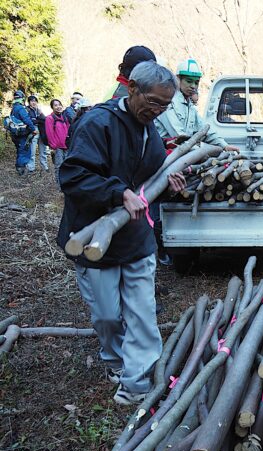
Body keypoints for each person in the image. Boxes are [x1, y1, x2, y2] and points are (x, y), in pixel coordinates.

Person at [57, 61, 186, 405]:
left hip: (137, 236)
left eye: (165, 105)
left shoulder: (150, 128)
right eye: (153, 102)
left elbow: (148, 180)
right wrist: (118, 193)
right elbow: (72, 176)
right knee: (107, 315)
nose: (157, 111)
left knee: (142, 312)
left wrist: (169, 186)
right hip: (94, 238)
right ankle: (114, 359)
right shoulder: (98, 124)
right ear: (131, 89)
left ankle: (138, 380)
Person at [155, 58, 239, 265]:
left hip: (185, 158)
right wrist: (203, 152)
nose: (193, 86)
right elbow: (180, 135)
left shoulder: (189, 105)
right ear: (178, 80)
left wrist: (223, 145)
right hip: (166, 159)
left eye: (196, 82)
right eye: (189, 81)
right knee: (162, 201)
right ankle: (160, 247)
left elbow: (204, 129)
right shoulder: (170, 103)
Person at [8, 90, 37, 176]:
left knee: (20, 150)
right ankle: (21, 171)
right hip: (22, 135)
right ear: (22, 98)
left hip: (15, 134)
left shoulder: (13, 108)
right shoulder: (20, 108)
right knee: (24, 151)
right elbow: (27, 120)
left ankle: (19, 168)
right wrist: (33, 129)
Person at [45, 99, 71, 185]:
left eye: (59, 104)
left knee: (68, 165)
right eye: (55, 105)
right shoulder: (49, 118)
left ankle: (67, 183)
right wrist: (53, 147)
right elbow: (49, 133)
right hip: (58, 147)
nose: (58, 107)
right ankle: (60, 185)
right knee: (59, 166)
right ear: (52, 107)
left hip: (66, 145)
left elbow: (68, 130)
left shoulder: (64, 117)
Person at [26, 95, 49, 173]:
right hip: (33, 130)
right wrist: (38, 120)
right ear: (29, 102)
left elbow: (45, 119)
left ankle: (45, 167)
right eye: (32, 101)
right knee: (32, 150)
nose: (34, 102)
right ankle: (31, 168)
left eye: (35, 101)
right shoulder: (27, 110)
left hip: (41, 130)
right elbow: (29, 121)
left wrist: (38, 118)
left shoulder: (39, 110)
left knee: (43, 149)